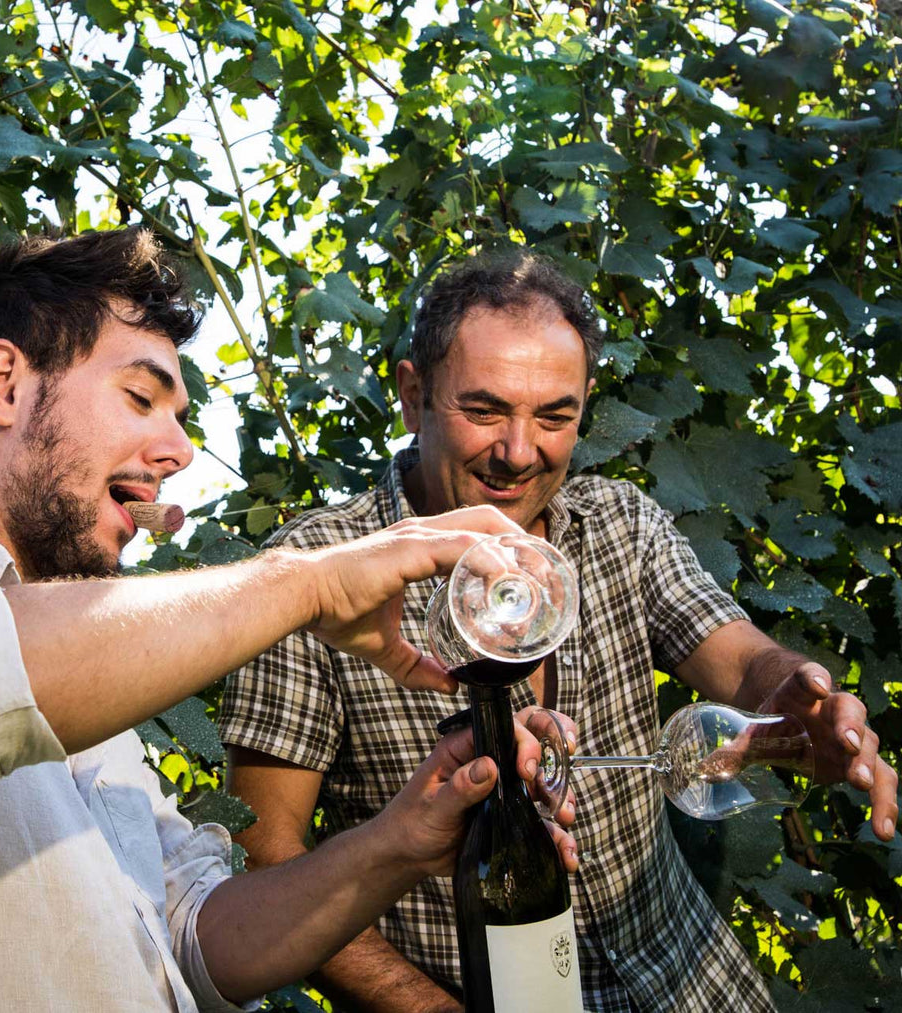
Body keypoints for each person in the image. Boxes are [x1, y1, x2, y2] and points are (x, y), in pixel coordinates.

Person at [0, 229, 579, 1011]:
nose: (178, 449)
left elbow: (199, 938)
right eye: (141, 397)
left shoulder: (84, 680)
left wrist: (401, 842)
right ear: (4, 382)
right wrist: (312, 580)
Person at [217, 249, 898, 1013]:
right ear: (413, 396)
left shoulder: (619, 523)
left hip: (700, 991)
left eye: (554, 416)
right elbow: (261, 849)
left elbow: (743, 662)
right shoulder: (315, 576)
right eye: (484, 410)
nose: (518, 450)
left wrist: (797, 696)